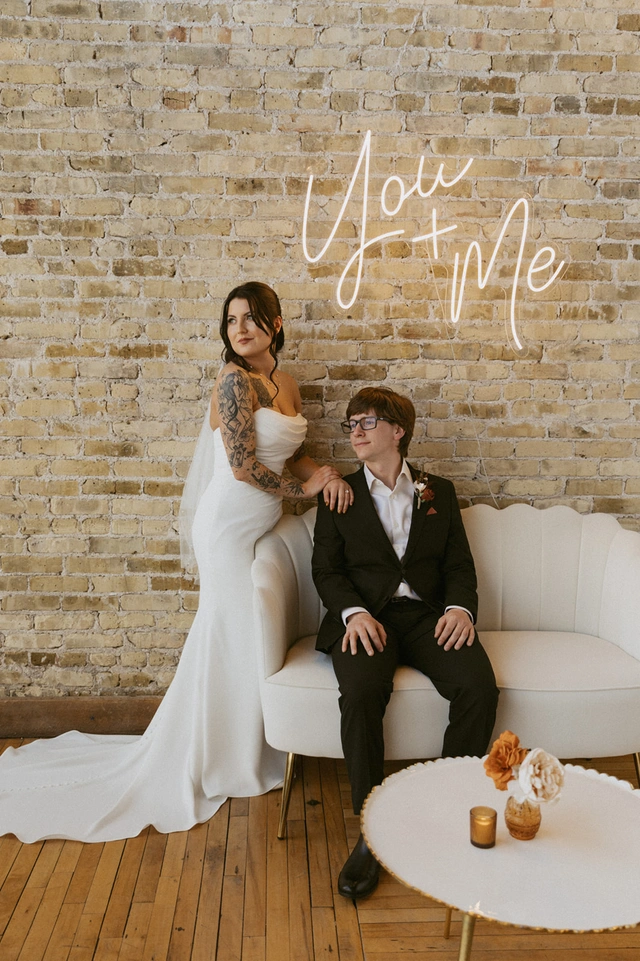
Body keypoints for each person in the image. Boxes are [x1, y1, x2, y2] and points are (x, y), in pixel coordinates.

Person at [0, 281, 352, 843]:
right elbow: (241, 466)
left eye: (252, 318)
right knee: (228, 632)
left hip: (256, 524)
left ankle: (243, 744)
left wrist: (322, 473)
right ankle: (213, 757)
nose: (241, 328)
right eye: (232, 319)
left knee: (242, 635)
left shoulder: (285, 382)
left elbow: (292, 451)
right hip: (227, 525)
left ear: (276, 324)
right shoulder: (234, 382)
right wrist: (302, 493)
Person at [312, 386, 499, 901]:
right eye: (350, 422)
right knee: (363, 691)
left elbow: (459, 565)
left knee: (478, 688)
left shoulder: (439, 491)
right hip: (366, 619)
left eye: (366, 421)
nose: (354, 430)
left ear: (398, 431)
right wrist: (352, 615)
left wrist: (461, 609)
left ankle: (440, 804)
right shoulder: (338, 494)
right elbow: (325, 572)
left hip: (427, 616)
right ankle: (373, 830)